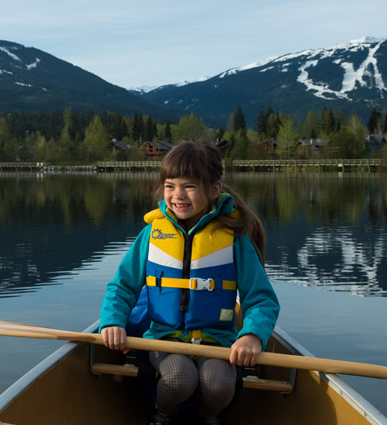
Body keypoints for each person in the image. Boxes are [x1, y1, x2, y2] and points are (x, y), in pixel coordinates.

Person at [100, 140, 280, 425]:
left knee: (218, 384)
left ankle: (208, 416)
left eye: (190, 186)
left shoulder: (233, 237)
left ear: (213, 190)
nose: (177, 195)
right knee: (180, 378)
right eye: (170, 185)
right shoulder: (152, 233)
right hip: (164, 339)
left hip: (217, 341)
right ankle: (161, 415)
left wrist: (252, 335)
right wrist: (112, 322)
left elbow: (261, 299)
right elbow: (122, 286)